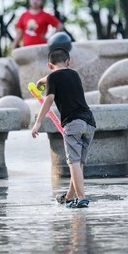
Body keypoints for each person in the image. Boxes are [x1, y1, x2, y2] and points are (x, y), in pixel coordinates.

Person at [31, 48, 96, 208]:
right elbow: (57, 76)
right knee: (78, 163)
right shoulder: (74, 74)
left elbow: (49, 98)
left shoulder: (53, 77)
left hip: (73, 124)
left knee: (73, 162)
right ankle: (69, 197)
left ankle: (81, 198)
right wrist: (41, 82)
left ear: (49, 65)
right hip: (89, 124)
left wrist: (38, 121)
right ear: (69, 62)